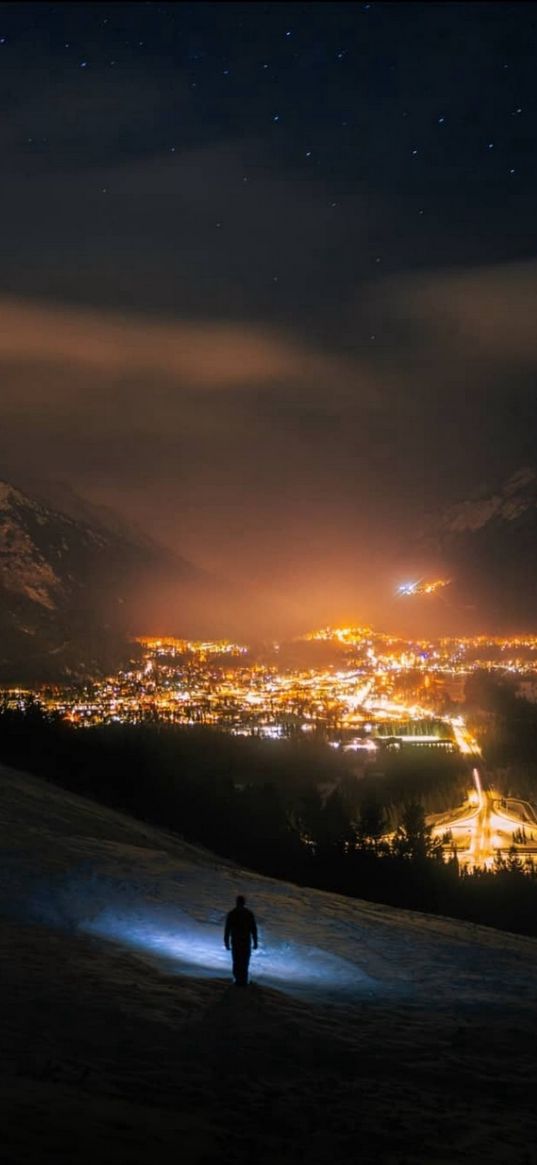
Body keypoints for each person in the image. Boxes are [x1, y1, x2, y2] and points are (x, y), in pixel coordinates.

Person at [224, 895, 258, 986]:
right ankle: (243, 980)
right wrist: (255, 942)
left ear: (236, 902)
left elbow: (227, 929)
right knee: (244, 961)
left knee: (236, 960)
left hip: (236, 941)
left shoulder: (232, 913)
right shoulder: (249, 913)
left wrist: (226, 942)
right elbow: (254, 929)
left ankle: (238, 980)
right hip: (245, 941)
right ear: (244, 903)